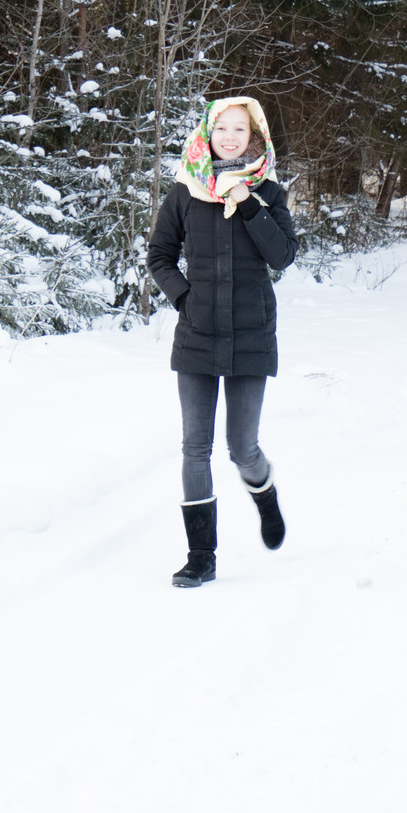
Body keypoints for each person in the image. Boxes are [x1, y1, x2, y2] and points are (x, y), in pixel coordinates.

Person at [146, 95, 300, 587]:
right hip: (197, 332)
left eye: (240, 129)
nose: (230, 137)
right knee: (195, 447)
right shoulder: (186, 191)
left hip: (251, 331)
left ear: (254, 134)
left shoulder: (268, 192)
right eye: (222, 129)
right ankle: (201, 557)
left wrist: (248, 204)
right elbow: (160, 256)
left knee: (241, 446)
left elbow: (283, 256)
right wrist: (185, 300)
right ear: (207, 135)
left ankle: (265, 496)